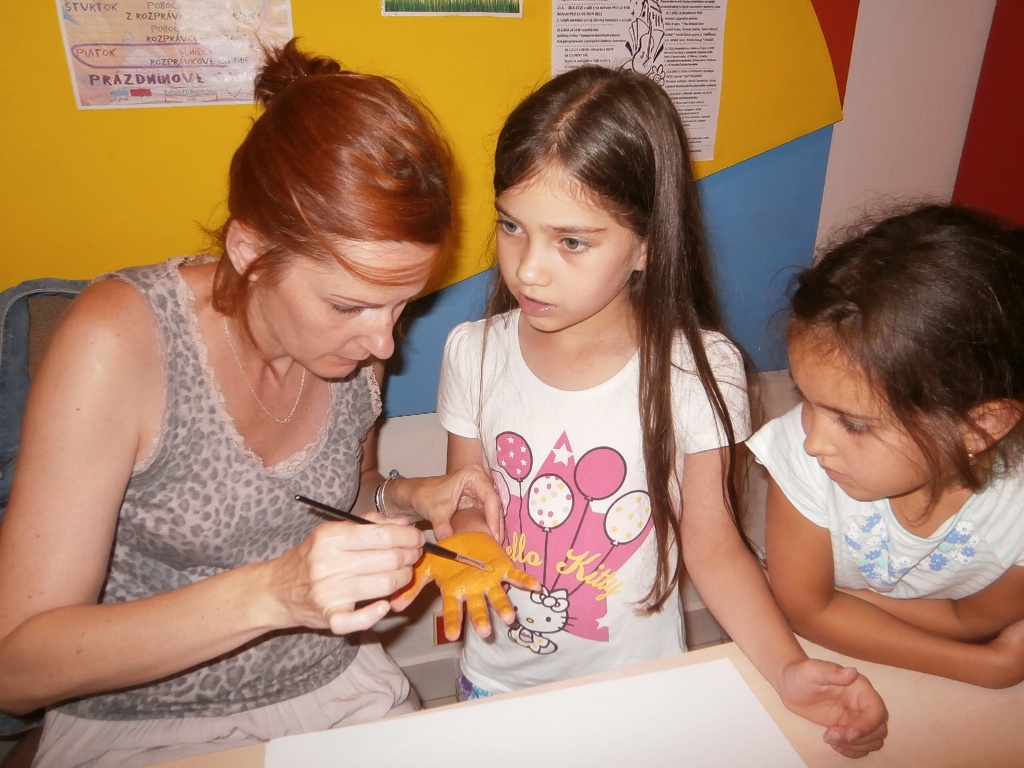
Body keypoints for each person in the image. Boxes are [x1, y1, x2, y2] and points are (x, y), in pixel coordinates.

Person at [0, 38, 506, 767]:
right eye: (348, 305)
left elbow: (341, 493)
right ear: (249, 252)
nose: (383, 344)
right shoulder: (121, 341)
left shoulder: (352, 347)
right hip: (145, 722)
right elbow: (17, 667)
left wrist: (410, 495)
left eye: (403, 305)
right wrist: (274, 594)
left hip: (332, 687)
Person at [397, 65, 889, 759]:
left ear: (647, 243)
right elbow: (469, 496)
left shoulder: (698, 367)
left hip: (636, 684)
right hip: (497, 681)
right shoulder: (472, 350)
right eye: (512, 226)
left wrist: (787, 668)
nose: (528, 268)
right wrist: (472, 534)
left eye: (572, 241)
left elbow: (714, 545)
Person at [749, 203, 1024, 689]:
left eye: (853, 424)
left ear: (981, 427)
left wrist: (834, 604)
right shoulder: (805, 455)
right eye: (804, 396)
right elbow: (806, 612)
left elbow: (971, 620)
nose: (813, 442)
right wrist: (988, 667)